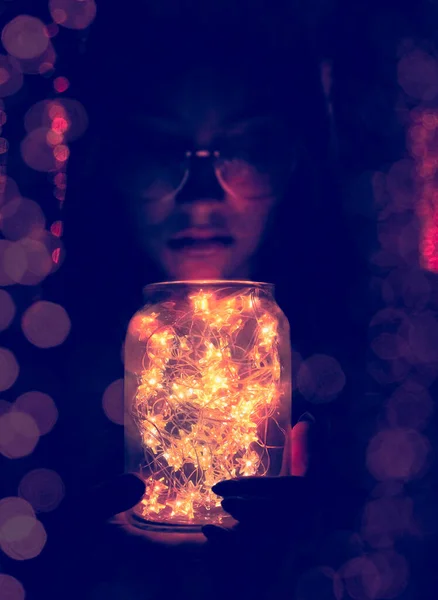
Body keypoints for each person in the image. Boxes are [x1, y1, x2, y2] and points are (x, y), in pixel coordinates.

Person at [38, 3, 370, 599]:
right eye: (160, 149)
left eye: (244, 148)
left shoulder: (380, 393)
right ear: (110, 163)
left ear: (293, 162)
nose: (200, 197)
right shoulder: (36, 394)